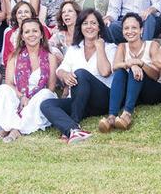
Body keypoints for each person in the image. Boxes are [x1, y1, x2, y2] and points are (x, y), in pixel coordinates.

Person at [40, 9, 117, 144]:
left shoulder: (110, 48)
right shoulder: (74, 49)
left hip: (101, 99)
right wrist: (65, 75)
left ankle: (74, 120)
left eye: (93, 23)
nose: (89, 27)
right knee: (46, 104)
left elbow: (105, 72)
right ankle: (73, 130)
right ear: (80, 27)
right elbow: (60, 70)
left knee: (80, 73)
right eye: (85, 23)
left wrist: (100, 48)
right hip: (79, 101)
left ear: (100, 27)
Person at [0, 18, 58, 142]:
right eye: (27, 32)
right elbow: (9, 83)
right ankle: (8, 127)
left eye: (35, 31)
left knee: (46, 94)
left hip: (38, 98)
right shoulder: (14, 56)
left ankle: (15, 129)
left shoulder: (50, 57)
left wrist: (31, 99)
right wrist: (22, 96)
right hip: (19, 96)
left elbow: (51, 87)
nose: (31, 34)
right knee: (3, 89)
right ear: (22, 36)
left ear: (41, 35)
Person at [99, 13, 161, 132]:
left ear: (141, 30)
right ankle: (112, 116)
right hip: (134, 92)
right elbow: (115, 66)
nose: (130, 31)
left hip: (152, 91)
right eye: (126, 28)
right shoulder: (122, 46)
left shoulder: (152, 45)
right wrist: (131, 64)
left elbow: (156, 75)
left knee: (136, 71)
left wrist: (140, 63)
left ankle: (127, 114)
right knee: (120, 72)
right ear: (122, 31)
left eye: (134, 28)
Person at [1, 1, 52, 65]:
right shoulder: (9, 34)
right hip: (16, 68)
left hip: (41, 65)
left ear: (31, 14)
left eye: (26, 12)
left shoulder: (42, 29)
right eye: (19, 12)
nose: (23, 15)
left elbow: (49, 50)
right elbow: (6, 59)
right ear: (15, 16)